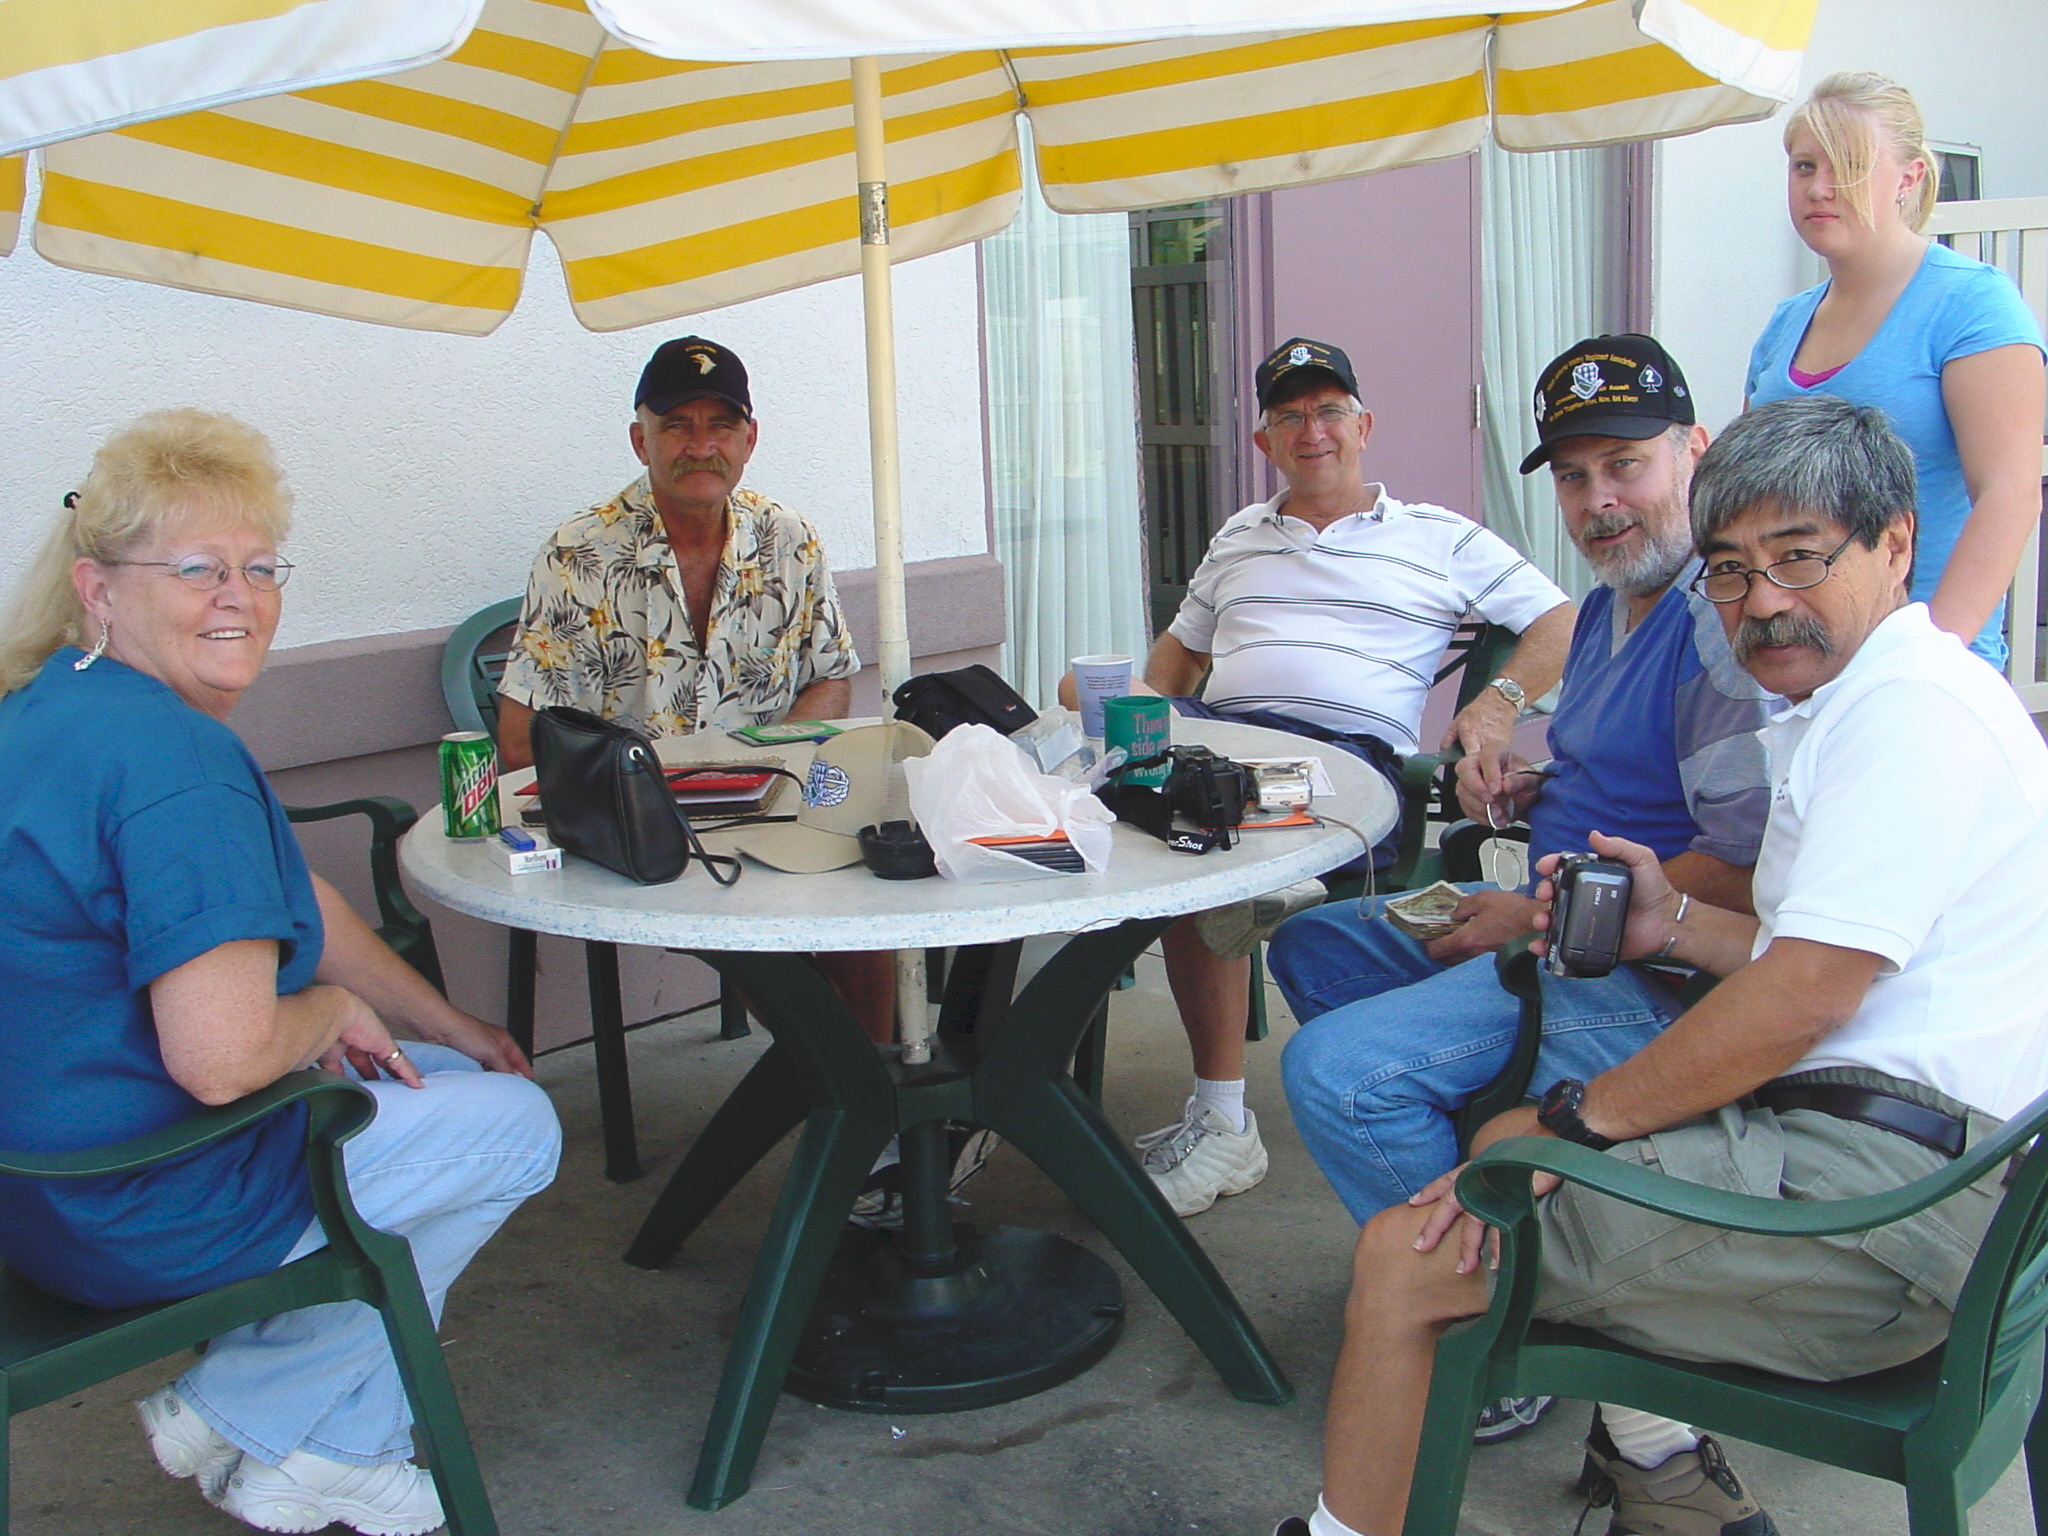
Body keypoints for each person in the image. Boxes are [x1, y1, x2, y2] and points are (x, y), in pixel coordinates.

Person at [1274, 394, 2048, 1536]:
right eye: (1730, 571)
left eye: (1799, 558)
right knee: (1468, 1131)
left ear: (1894, 543)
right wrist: (1668, 922)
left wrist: (1572, 1126)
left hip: (1883, 1215)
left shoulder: (1908, 718)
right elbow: (1814, 955)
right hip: (1895, 1163)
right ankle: (1657, 1464)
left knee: (1413, 1251)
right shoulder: (1876, 698)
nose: (1761, 601)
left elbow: (1802, 994)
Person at [0, 409, 560, 1536]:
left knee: (456, 1079)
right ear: (99, 588)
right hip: (139, 1197)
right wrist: (331, 1010)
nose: (239, 598)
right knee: (518, 1131)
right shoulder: (173, 761)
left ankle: (318, 1444)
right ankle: (264, 1418)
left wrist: (445, 1021)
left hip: (34, 1184)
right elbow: (220, 1061)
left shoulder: (53, 705)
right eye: (197, 569)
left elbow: (299, 900)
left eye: (259, 568)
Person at [1268, 336, 1777, 1486]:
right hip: (1546, 920)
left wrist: (1531, 918)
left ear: (1693, 454)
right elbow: (1625, 779)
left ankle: (1493, 1325)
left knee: (1339, 1074)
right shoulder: (1606, 608)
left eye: (1624, 465)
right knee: (1314, 944)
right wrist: (1528, 783)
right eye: (1574, 476)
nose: (1598, 501)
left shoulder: (1717, 628)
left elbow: (1745, 874)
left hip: (1641, 976)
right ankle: (1480, 1199)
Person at [1130, 336, 1576, 1218]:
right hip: (1222, 746)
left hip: (1344, 769)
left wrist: (1497, 707)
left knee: (1192, 842)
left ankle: (1224, 1124)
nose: (1313, 431)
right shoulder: (1238, 537)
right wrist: (1142, 717)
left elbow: (1561, 620)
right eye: (1290, 416)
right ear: (1264, 442)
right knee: (1089, 731)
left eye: (1329, 411)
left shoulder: (1438, 536)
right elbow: (1176, 658)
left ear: (1364, 426)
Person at [495, 336, 893, 1042]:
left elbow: (831, 677)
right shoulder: (577, 552)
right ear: (640, 441)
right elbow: (522, 738)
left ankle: (861, 1086)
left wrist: (772, 763)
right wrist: (624, 790)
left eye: (720, 425)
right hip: (639, 827)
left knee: (868, 909)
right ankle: (855, 1090)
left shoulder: (790, 539)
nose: (700, 446)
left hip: (772, 806)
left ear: (750, 439)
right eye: (677, 425)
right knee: (759, 929)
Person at [1748, 71, 2045, 667]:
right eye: (1805, 166)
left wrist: (1932, 655)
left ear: (1908, 178)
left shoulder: (1972, 304)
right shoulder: (1784, 324)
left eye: (1849, 165)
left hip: (1920, 665)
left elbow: (2009, 493)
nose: (1820, 188)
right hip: (1794, 661)